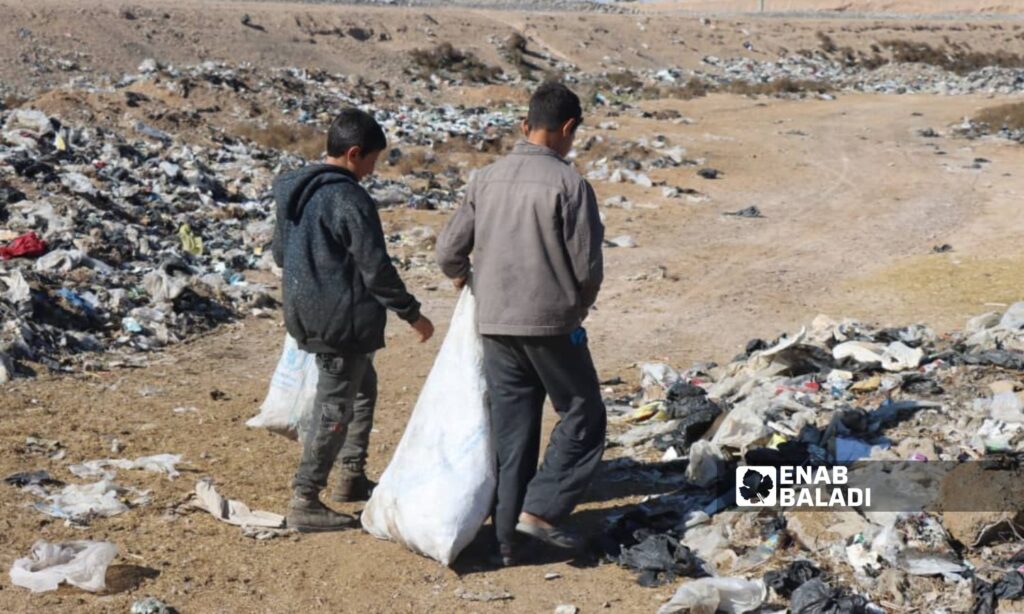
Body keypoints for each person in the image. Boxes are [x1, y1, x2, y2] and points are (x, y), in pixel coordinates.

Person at [436, 82, 606, 564]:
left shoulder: (484, 179)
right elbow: (586, 268)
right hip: (551, 324)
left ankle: (507, 542)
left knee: (513, 431)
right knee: (583, 413)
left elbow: (449, 250)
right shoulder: (570, 186)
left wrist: (462, 278)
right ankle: (542, 509)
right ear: (568, 129)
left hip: (493, 323)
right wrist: (578, 308)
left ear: (524, 124)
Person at [272, 108, 434, 532]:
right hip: (340, 319)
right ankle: (305, 498)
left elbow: (278, 254)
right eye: (372, 161)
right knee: (335, 406)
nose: (372, 171)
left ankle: (351, 476)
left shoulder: (294, 191)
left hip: (308, 312)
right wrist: (412, 314)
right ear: (355, 153)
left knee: (364, 389)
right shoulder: (348, 197)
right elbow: (374, 266)